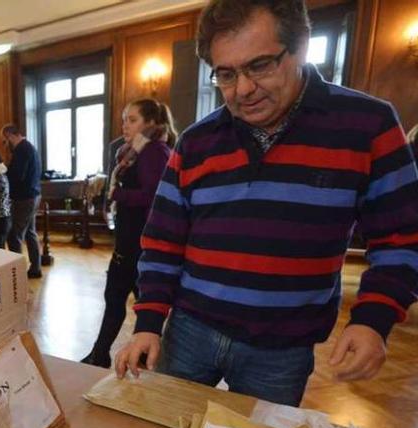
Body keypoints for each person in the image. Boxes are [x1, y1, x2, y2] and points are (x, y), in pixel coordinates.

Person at [114, 0, 418, 407]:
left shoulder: (369, 125)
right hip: (190, 330)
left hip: (282, 348)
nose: (242, 89)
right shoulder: (197, 141)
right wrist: (149, 322)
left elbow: (402, 237)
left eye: (260, 66)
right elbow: (163, 239)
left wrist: (374, 320)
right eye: (226, 74)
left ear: (300, 47)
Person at [81, 100, 177, 368]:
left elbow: (153, 196)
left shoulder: (154, 151)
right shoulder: (138, 150)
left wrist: (116, 193)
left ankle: (113, 357)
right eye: (124, 119)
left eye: (132, 119)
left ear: (149, 123)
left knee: (122, 299)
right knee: (118, 298)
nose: (125, 125)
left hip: (139, 242)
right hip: (131, 239)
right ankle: (103, 355)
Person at [1, 124, 43, 279]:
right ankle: (35, 267)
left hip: (24, 198)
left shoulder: (21, 149)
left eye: (5, 140)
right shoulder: (29, 147)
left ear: (10, 135)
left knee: (14, 235)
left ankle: (15, 275)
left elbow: (18, 176)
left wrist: (5, 173)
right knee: (30, 233)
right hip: (33, 195)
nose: (6, 144)